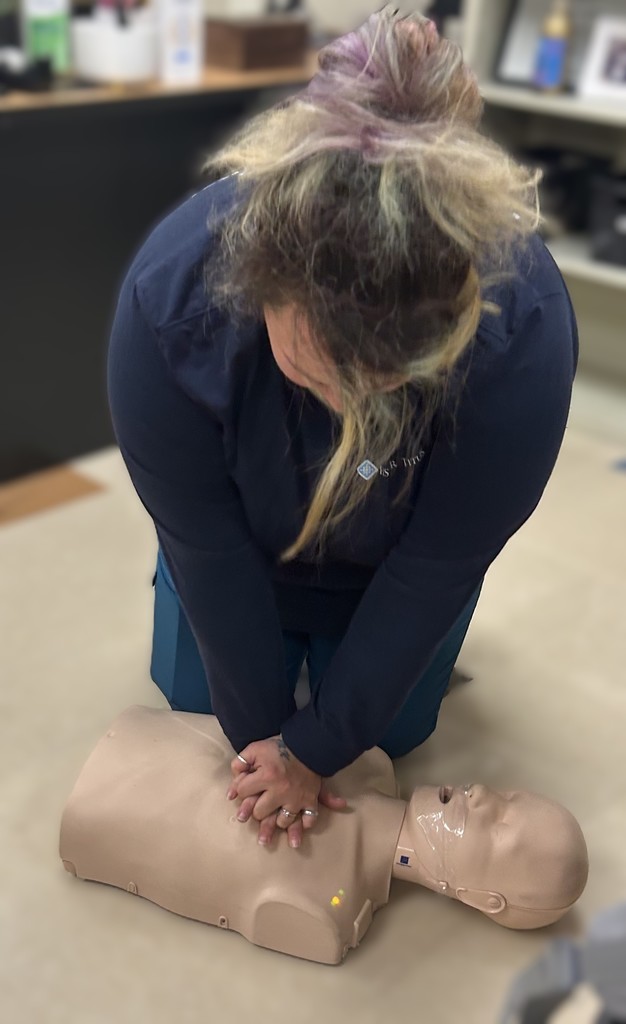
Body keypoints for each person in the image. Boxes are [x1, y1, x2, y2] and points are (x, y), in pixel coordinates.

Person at [106, 7, 579, 851]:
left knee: (382, 749)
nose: (352, 409)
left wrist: (320, 744)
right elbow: (205, 542)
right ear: (263, 284)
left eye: (397, 378)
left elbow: (438, 564)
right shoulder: (170, 304)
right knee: (205, 723)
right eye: (320, 371)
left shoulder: (526, 334)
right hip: (239, 543)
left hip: (392, 562)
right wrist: (266, 739)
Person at [59, 706, 589, 965]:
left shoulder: (325, 911)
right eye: (509, 797)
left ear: (483, 899)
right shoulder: (373, 764)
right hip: (143, 744)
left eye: (498, 827)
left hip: (97, 811)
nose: (482, 797)